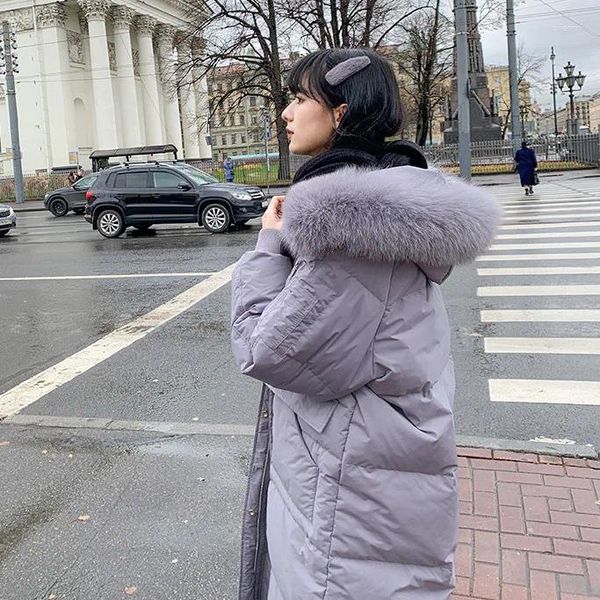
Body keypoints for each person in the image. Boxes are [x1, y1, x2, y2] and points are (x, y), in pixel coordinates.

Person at [231, 48, 501, 600]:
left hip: (346, 493)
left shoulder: (348, 234)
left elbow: (269, 350)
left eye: (301, 97)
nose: (285, 111)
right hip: (376, 475)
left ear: (341, 113)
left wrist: (266, 248)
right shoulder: (389, 214)